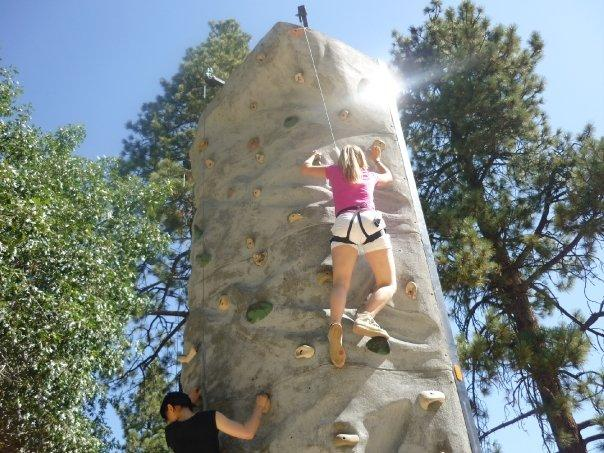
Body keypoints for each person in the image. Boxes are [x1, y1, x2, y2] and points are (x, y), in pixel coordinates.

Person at [301, 142, 397, 368]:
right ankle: (365, 316)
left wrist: (313, 156)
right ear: (361, 160)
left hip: (343, 223)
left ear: (341, 160)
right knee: (387, 282)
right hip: (369, 220)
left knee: (341, 283)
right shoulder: (369, 174)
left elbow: (304, 169)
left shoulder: (333, 171)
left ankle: (335, 325)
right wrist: (377, 159)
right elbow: (390, 177)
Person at [160, 388, 271, 452]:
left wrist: (188, 401)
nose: (168, 421)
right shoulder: (209, 418)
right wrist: (259, 405)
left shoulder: (170, 433)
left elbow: (186, 424)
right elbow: (247, 432)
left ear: (170, 408)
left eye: (166, 418)